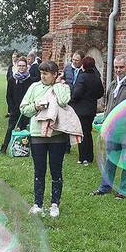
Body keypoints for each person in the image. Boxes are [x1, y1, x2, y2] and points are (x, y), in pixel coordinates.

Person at [19, 61, 81, 218]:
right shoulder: (34, 87)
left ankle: (55, 204)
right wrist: (36, 106)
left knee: (56, 170)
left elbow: (63, 101)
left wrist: (59, 84)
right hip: (37, 134)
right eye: (41, 73)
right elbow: (23, 108)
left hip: (57, 136)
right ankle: (38, 204)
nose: (43, 76)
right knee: (39, 170)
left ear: (55, 74)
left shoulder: (63, 86)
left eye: (46, 73)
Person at [92, 54, 126, 199]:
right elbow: (108, 107)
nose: (118, 70)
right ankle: (105, 187)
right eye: (116, 67)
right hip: (113, 131)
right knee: (110, 159)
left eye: (121, 67)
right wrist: (106, 123)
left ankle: (123, 190)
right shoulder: (112, 84)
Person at [70, 56, 105, 165]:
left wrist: (72, 99)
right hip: (91, 108)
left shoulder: (82, 77)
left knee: (82, 133)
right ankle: (89, 156)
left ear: (83, 66)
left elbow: (76, 93)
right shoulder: (96, 76)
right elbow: (101, 93)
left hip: (81, 109)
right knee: (88, 132)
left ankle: (83, 157)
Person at [0, 56, 35, 154]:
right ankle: (4, 148)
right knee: (10, 128)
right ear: (17, 66)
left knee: (25, 129)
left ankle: (24, 149)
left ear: (27, 67)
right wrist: (11, 109)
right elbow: (8, 96)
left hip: (26, 109)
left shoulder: (31, 80)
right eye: (19, 66)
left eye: (23, 66)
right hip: (15, 109)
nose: (21, 68)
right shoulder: (12, 79)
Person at [4, 52, 20, 117]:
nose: (13, 58)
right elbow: (8, 75)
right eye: (12, 57)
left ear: (17, 58)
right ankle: (9, 111)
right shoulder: (11, 66)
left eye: (14, 57)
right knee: (9, 97)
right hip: (11, 84)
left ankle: (15, 112)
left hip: (17, 84)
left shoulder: (18, 66)